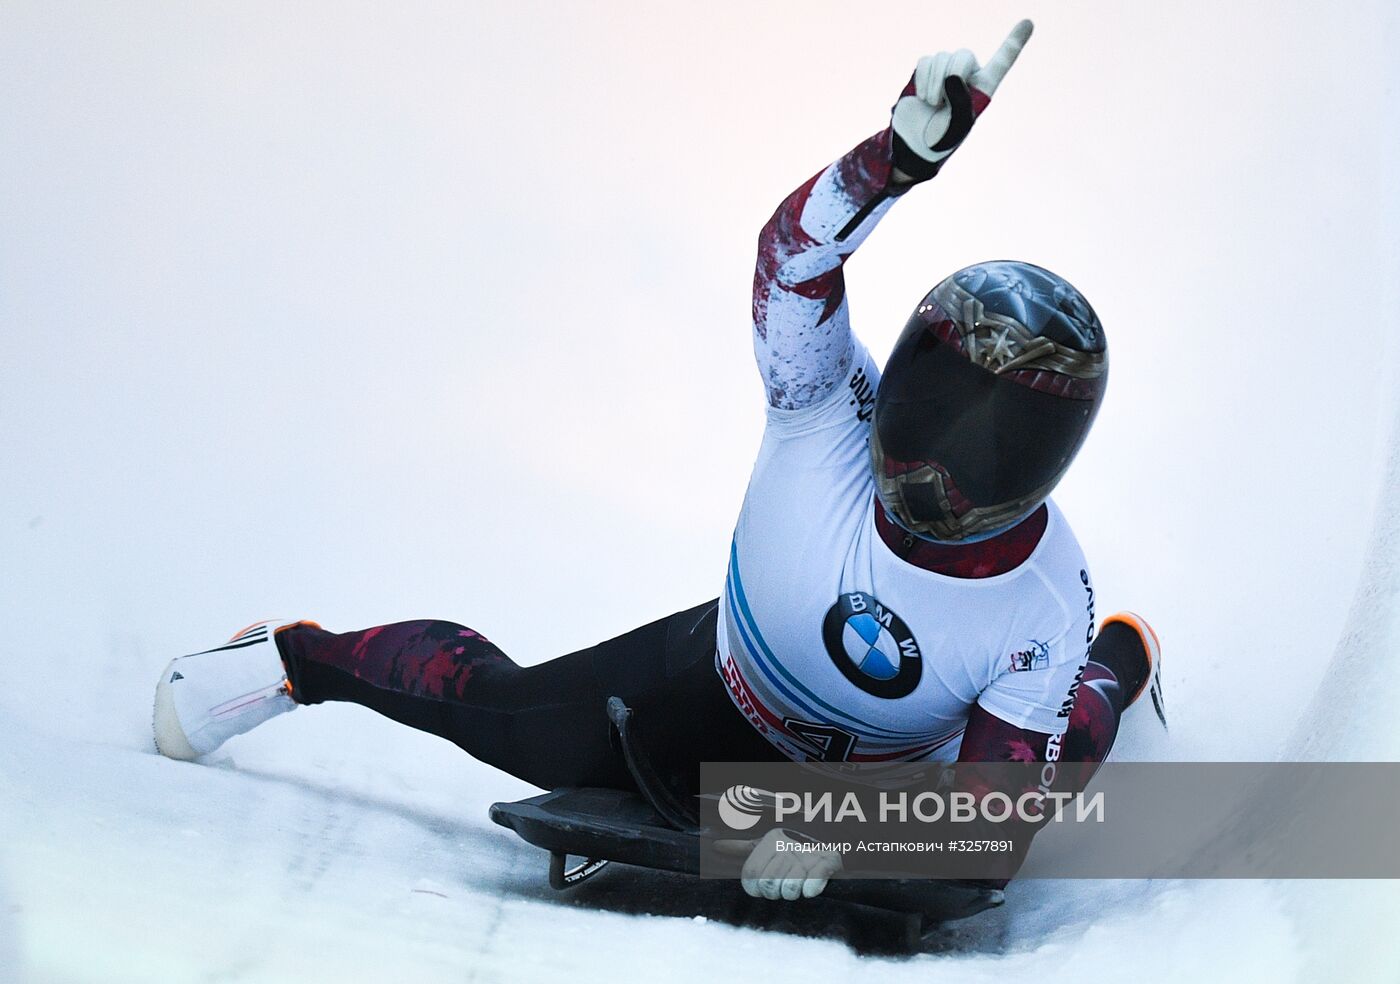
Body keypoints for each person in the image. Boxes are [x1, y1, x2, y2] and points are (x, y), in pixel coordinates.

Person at [153, 19, 1165, 905]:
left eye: (994, 449)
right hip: (713, 687)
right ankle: (288, 660)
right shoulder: (822, 400)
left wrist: (848, 834)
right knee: (495, 708)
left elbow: (982, 837)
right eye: (943, 412)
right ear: (894, 380)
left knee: (1060, 742)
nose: (943, 472)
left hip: (880, 776)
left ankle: (1118, 662)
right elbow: (790, 260)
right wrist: (888, 163)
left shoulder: (1042, 596)